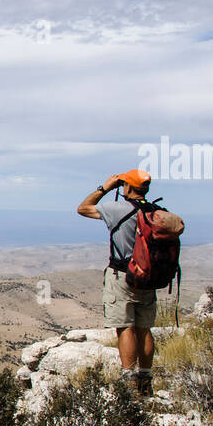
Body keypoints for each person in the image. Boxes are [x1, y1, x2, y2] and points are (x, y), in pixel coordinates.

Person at [76, 168, 159, 395]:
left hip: (123, 276)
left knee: (125, 328)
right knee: (144, 329)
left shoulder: (117, 209)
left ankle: (129, 382)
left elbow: (83, 208)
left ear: (128, 187)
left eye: (124, 185)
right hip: (149, 278)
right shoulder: (156, 211)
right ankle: (145, 379)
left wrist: (105, 188)